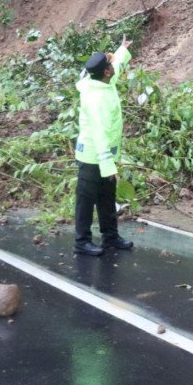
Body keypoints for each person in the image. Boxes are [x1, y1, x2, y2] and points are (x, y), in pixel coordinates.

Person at [73, 35, 135, 256]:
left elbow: (115, 68)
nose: (113, 67)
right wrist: (109, 167)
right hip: (93, 156)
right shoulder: (97, 99)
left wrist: (122, 50)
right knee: (86, 201)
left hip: (103, 154)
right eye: (110, 65)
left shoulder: (100, 82)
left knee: (107, 198)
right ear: (106, 72)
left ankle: (110, 236)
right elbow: (100, 134)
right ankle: (82, 242)